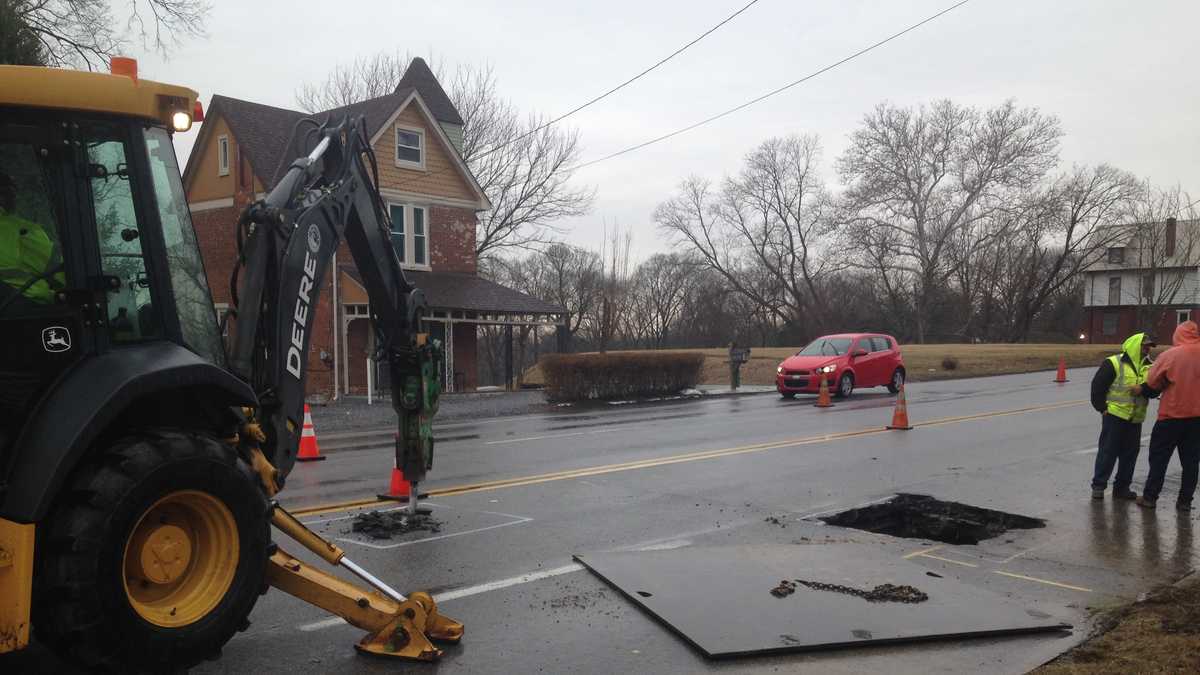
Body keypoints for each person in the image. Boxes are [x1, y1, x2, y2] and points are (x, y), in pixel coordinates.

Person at [1137, 320, 1200, 511]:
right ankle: (1185, 502)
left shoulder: (1170, 355)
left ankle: (1150, 497)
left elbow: (1152, 385)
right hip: (1197, 419)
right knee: (1191, 462)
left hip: (1171, 416)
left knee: (1159, 459)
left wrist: (1143, 390)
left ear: (1177, 335)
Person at [1090, 331, 1157, 500]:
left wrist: (1144, 388)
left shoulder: (1150, 366)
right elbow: (1098, 386)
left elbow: (1154, 389)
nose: (1148, 349)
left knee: (1130, 455)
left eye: (1149, 347)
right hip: (1114, 415)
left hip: (1135, 418)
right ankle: (1098, 486)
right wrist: (1102, 408)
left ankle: (1122, 488)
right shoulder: (1114, 362)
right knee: (1108, 452)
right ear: (1135, 345)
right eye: (1145, 346)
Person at [0, 170, 64, 306]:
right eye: (11, 192)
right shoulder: (20, 231)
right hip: (28, 311)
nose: (15, 197)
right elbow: (60, 273)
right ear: (3, 196)